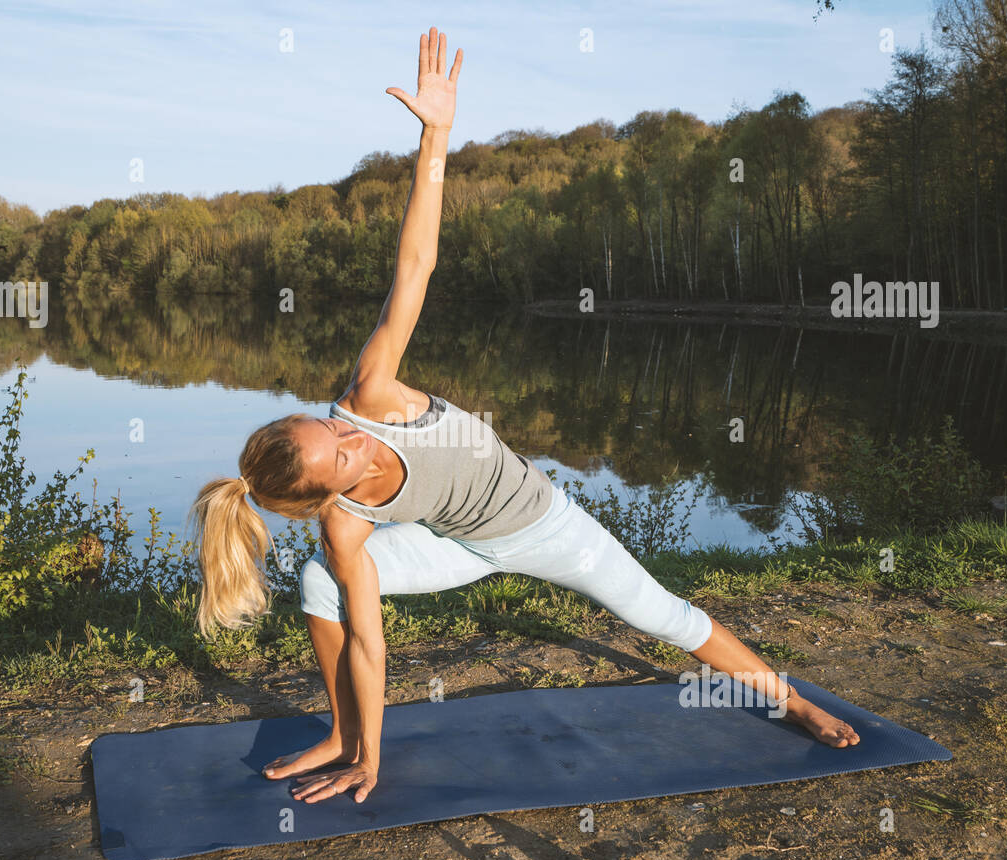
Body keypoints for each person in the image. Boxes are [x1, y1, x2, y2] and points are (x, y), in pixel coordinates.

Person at [189, 28, 859, 806]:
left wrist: (436, 135)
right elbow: (367, 643)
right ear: (327, 494)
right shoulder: (343, 526)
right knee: (319, 583)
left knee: (666, 617)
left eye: (327, 423)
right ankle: (342, 733)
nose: (349, 434)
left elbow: (416, 264)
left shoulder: (370, 391)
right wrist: (371, 753)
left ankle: (797, 699)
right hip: (459, 544)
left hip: (546, 527)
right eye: (337, 452)